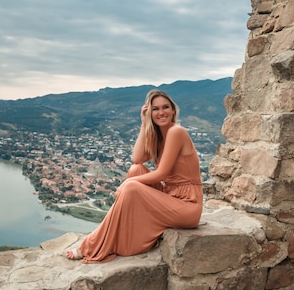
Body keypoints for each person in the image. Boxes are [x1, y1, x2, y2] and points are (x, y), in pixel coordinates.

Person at [66, 89, 203, 263]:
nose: (161, 112)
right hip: (171, 196)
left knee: (131, 184)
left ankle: (91, 243)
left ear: (173, 110)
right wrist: (143, 123)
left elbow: (161, 174)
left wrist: (127, 183)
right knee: (136, 169)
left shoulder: (177, 132)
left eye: (165, 107)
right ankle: (119, 235)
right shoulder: (160, 136)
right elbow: (137, 159)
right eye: (155, 109)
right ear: (149, 113)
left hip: (188, 206)